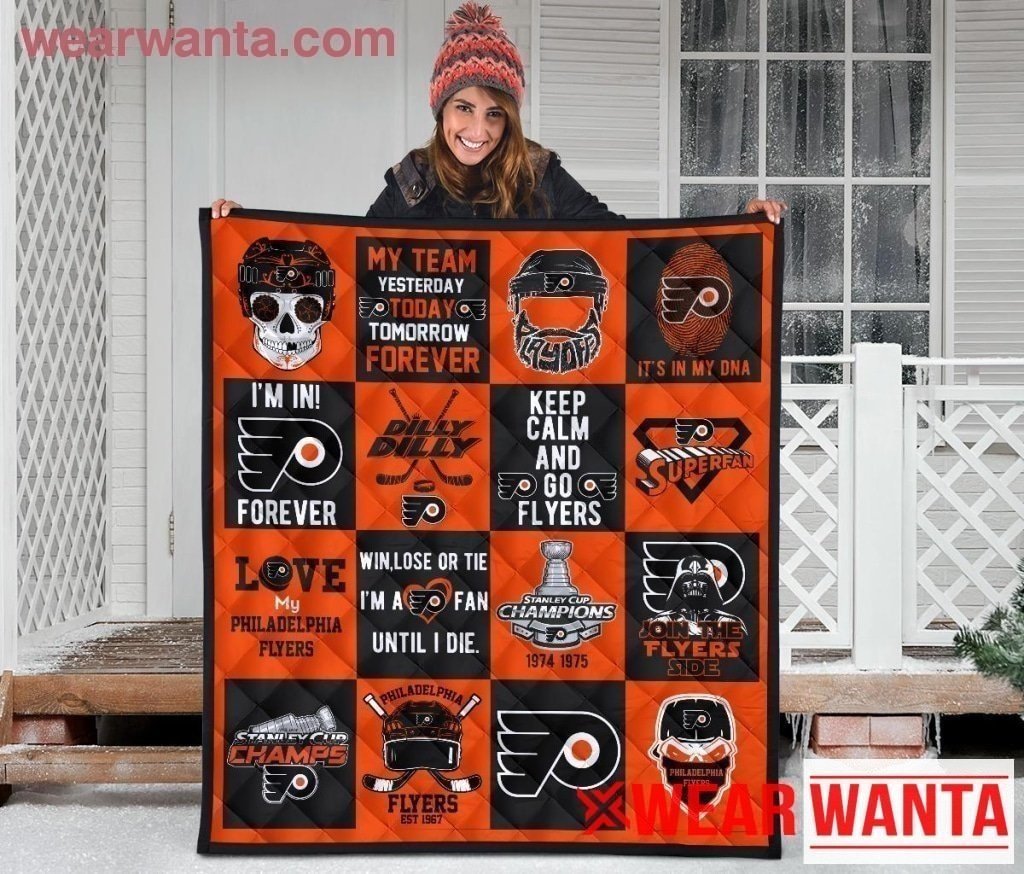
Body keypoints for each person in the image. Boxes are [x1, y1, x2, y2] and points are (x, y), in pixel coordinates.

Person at [212, 3, 785, 223]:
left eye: (495, 114)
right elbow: (349, 259)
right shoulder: (412, 181)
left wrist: (739, 225)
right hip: (436, 378)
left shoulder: (540, 174)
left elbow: (627, 243)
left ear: (511, 118)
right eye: (464, 108)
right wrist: (245, 231)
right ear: (441, 110)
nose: (478, 130)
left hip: (520, 380)